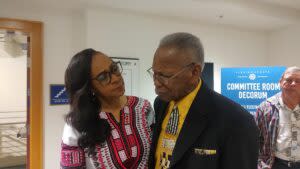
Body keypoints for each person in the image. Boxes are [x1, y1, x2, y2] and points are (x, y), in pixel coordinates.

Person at [148, 32, 259, 169]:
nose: (157, 82)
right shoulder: (161, 103)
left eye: (165, 75)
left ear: (194, 72)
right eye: (155, 73)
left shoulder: (236, 120)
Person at [60, 48, 155, 169]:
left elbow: (155, 156)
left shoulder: (143, 108)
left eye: (114, 69)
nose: (116, 78)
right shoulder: (77, 123)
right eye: (103, 77)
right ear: (89, 87)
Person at [255, 66, 300, 169]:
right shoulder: (265, 108)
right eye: (288, 80)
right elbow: (254, 139)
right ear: (280, 82)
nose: (293, 84)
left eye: (298, 81)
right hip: (276, 164)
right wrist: (260, 164)